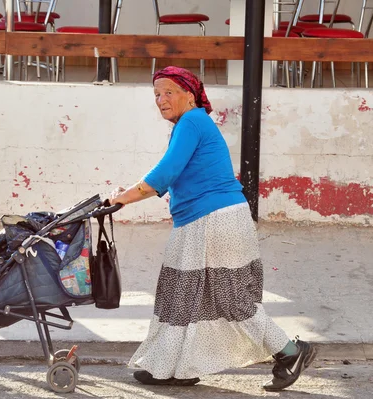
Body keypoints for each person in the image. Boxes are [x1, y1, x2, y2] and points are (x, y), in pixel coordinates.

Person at [108, 66, 316, 391]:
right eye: (156, 95)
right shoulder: (188, 124)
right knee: (179, 297)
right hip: (198, 220)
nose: (161, 100)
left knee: (230, 297)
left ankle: (290, 352)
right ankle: (171, 367)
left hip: (216, 219)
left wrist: (124, 198)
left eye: (168, 92)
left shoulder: (192, 120)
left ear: (188, 96)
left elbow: (166, 172)